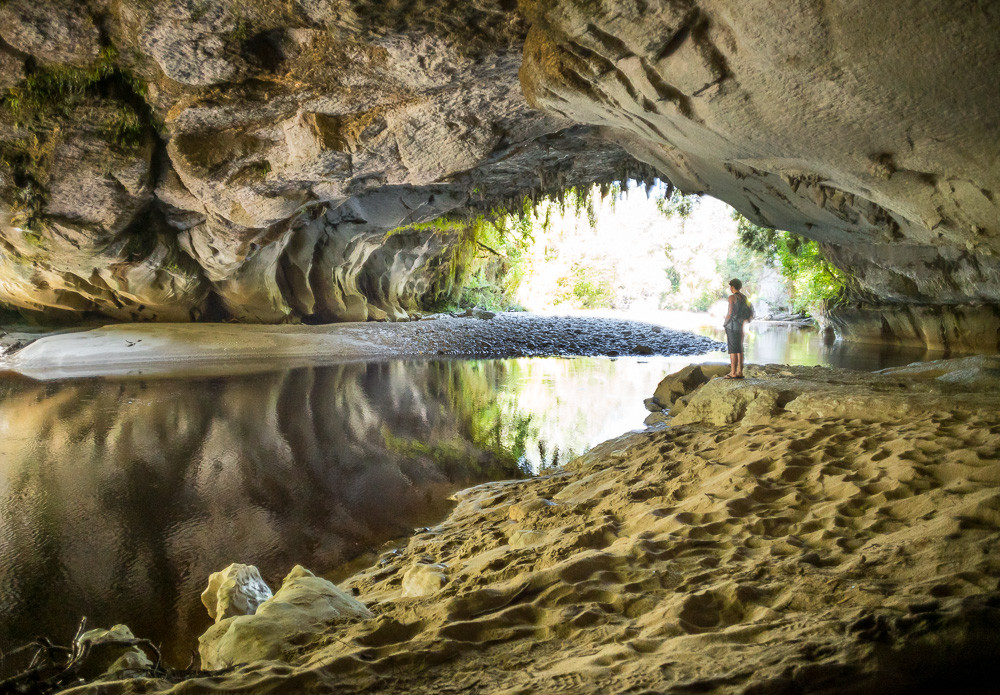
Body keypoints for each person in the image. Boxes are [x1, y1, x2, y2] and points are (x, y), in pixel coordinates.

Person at [723, 278, 751, 379]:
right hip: (741, 327)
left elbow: (730, 312)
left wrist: (725, 323)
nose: (730, 288)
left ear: (732, 287)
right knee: (740, 348)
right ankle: (740, 371)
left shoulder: (731, 297)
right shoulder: (744, 297)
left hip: (732, 326)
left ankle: (733, 372)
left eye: (730, 286)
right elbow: (749, 313)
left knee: (733, 350)